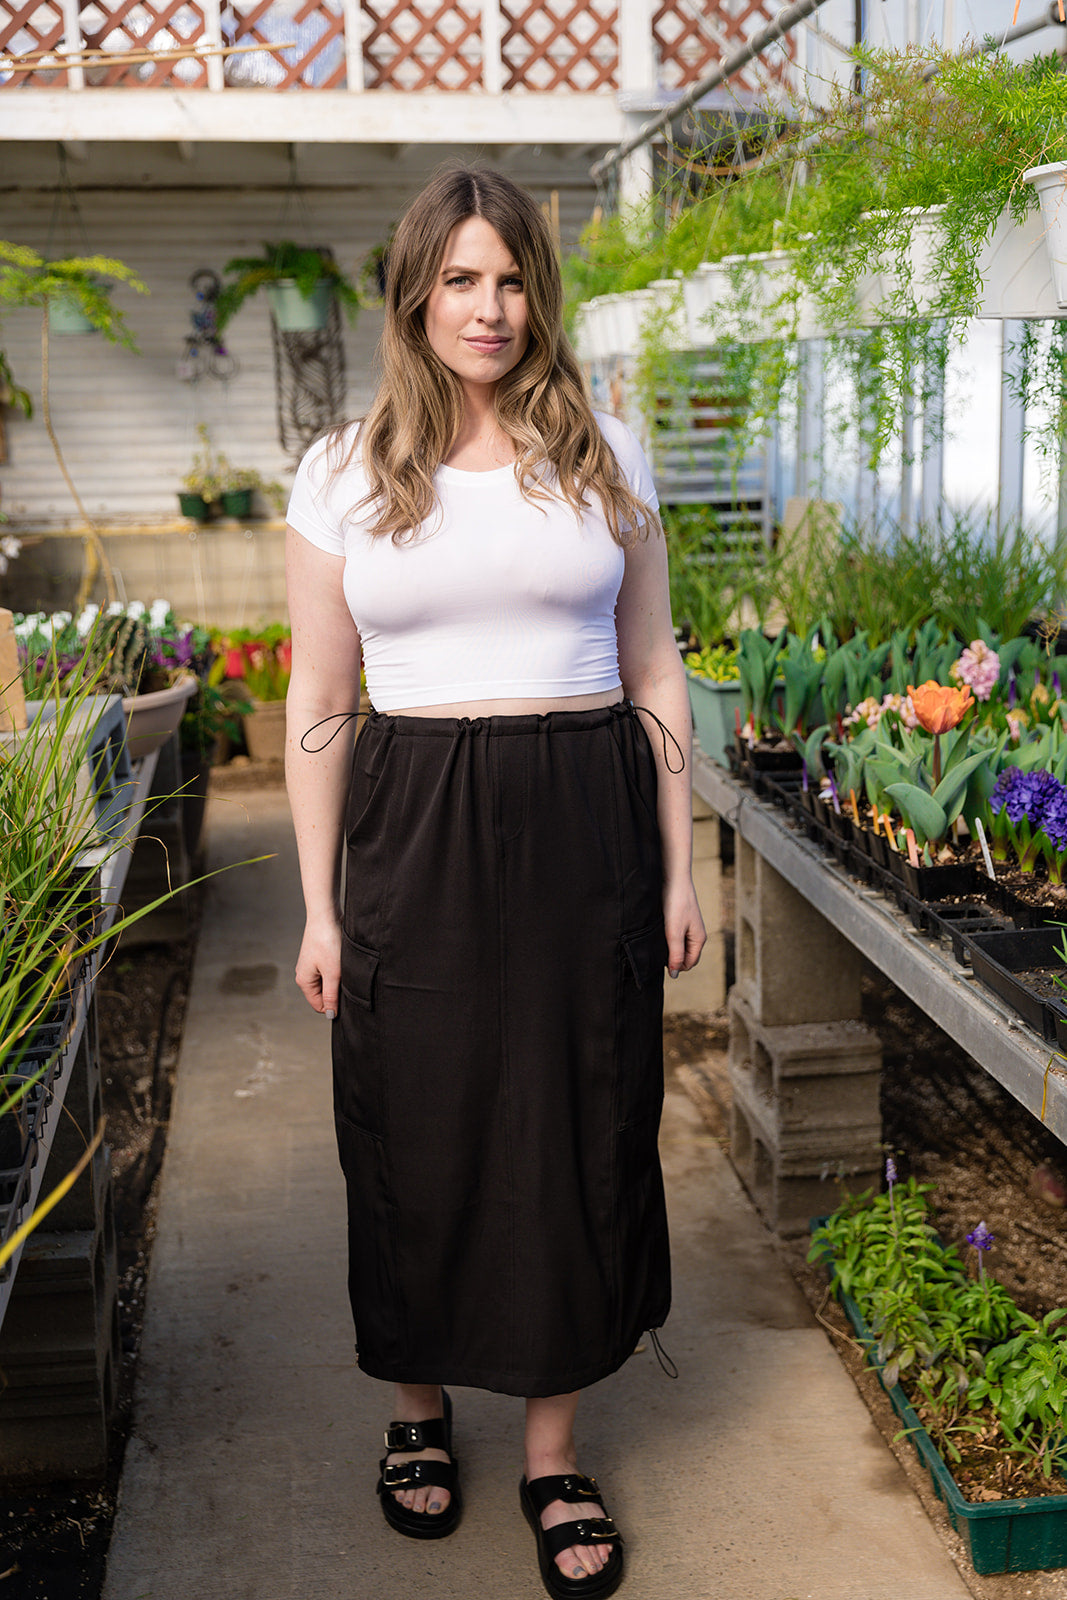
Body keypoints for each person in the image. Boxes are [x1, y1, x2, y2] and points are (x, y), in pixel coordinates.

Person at [284, 164, 705, 1600]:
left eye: (513, 277)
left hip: (585, 818)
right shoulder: (343, 470)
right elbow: (316, 697)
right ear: (416, 292)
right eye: (461, 278)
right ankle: (417, 1408)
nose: (490, 306)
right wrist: (320, 904)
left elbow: (655, 667)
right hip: (414, 822)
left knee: (581, 1125)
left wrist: (678, 864)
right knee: (415, 1121)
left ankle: (549, 1447)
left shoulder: (607, 455)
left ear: (542, 292)